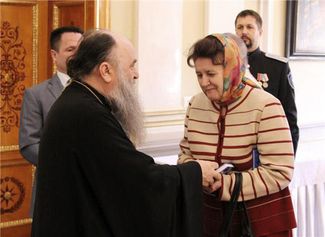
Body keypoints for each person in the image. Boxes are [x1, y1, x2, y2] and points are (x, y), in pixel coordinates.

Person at [31, 29, 222, 237]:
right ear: (106, 71)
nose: (136, 74)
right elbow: (137, 179)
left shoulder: (80, 101)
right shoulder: (86, 113)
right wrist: (194, 173)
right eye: (131, 65)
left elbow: (121, 170)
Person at [178, 33, 296, 237]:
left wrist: (226, 184)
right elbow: (185, 154)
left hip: (260, 223)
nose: (204, 82)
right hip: (210, 219)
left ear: (232, 69)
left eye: (210, 74)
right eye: (199, 75)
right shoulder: (195, 105)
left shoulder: (266, 105)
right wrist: (195, 172)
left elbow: (280, 171)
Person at [19, 26, 84, 216]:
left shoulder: (96, 91)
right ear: (54, 55)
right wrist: (65, 164)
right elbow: (29, 144)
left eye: (81, 48)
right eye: (71, 49)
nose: (77, 54)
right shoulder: (36, 95)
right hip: (53, 190)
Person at [234, 9, 299, 154]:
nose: (244, 31)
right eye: (240, 27)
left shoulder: (277, 66)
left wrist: (289, 158)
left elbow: (289, 117)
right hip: (234, 147)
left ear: (260, 32)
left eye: (249, 27)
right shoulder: (225, 65)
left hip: (267, 146)